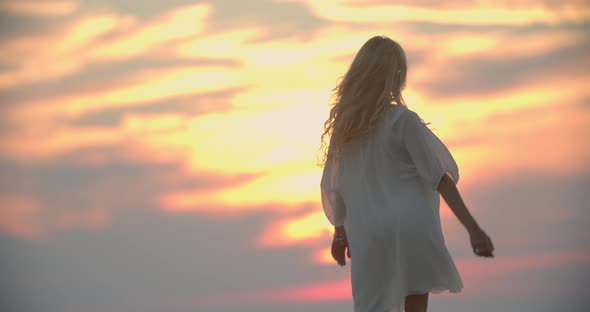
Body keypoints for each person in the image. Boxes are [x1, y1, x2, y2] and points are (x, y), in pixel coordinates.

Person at [319, 35, 495, 312]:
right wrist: (474, 230)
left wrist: (340, 234)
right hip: (411, 228)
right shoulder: (402, 120)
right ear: (395, 76)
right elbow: (439, 178)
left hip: (368, 233)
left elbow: (333, 185)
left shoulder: (346, 129)